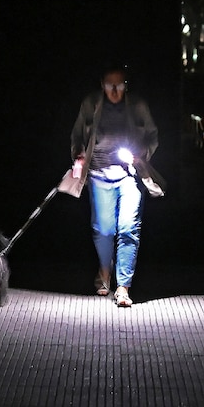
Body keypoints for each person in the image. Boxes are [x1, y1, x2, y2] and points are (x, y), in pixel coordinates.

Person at [70, 64, 161, 307]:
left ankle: (123, 287)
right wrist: (79, 156)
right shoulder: (91, 104)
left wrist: (141, 154)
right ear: (102, 85)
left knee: (129, 228)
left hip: (130, 175)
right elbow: (78, 134)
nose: (114, 91)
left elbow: (152, 136)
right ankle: (104, 269)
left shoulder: (137, 106)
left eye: (119, 86)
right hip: (99, 174)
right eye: (110, 86)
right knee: (104, 229)